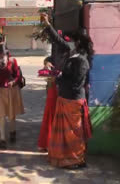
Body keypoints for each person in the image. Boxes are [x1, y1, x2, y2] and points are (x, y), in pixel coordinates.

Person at [41, 14, 94, 169]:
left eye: (73, 40)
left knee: (73, 134)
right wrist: (47, 24)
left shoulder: (81, 61)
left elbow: (74, 82)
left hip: (72, 100)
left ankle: (76, 160)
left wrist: (57, 77)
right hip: (68, 98)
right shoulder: (76, 56)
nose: (70, 42)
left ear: (78, 42)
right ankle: (69, 159)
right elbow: (59, 41)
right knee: (67, 134)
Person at [37, 13, 77, 151]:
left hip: (65, 88)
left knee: (62, 118)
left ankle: (61, 146)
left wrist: (48, 25)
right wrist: (47, 62)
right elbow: (52, 58)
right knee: (50, 114)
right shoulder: (59, 47)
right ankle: (48, 143)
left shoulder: (70, 45)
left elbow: (59, 41)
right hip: (54, 86)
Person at [0, 45, 25, 149]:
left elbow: (18, 75)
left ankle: (12, 131)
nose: (1, 57)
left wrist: (13, 81)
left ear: (6, 53)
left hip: (12, 90)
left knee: (11, 114)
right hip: (0, 91)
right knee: (1, 115)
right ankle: (2, 139)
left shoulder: (13, 61)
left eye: (3, 55)